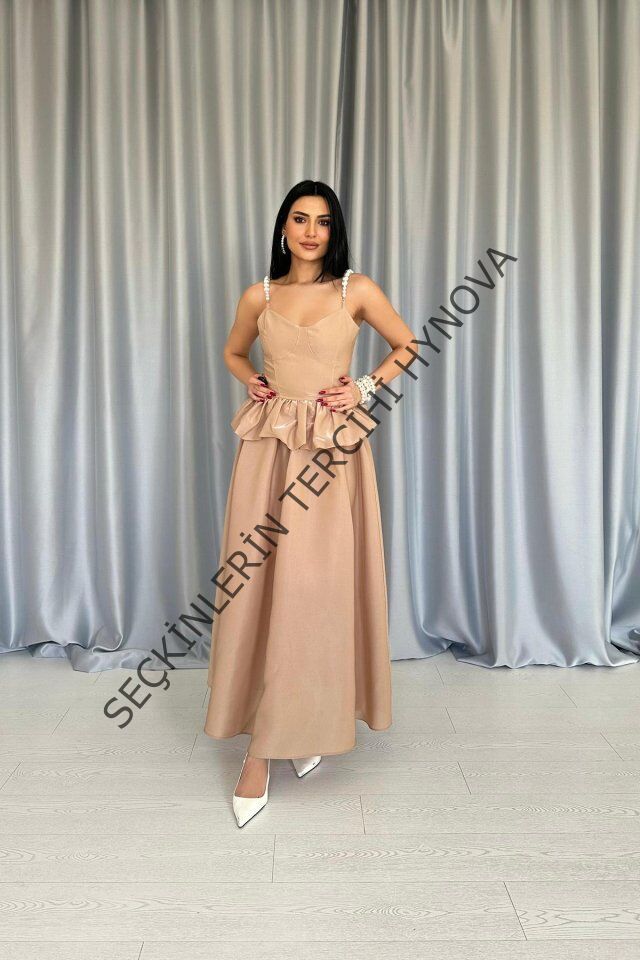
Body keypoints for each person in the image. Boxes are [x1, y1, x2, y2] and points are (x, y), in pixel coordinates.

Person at [204, 180, 416, 826]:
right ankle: (267, 744)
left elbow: (407, 345)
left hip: (331, 461)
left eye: (323, 222)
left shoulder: (356, 290)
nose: (311, 232)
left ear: (334, 231)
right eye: (300, 219)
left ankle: (289, 735)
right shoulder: (259, 296)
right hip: (268, 454)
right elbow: (233, 351)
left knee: (315, 597)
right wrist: (253, 380)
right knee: (260, 592)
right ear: (283, 227)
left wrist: (365, 388)